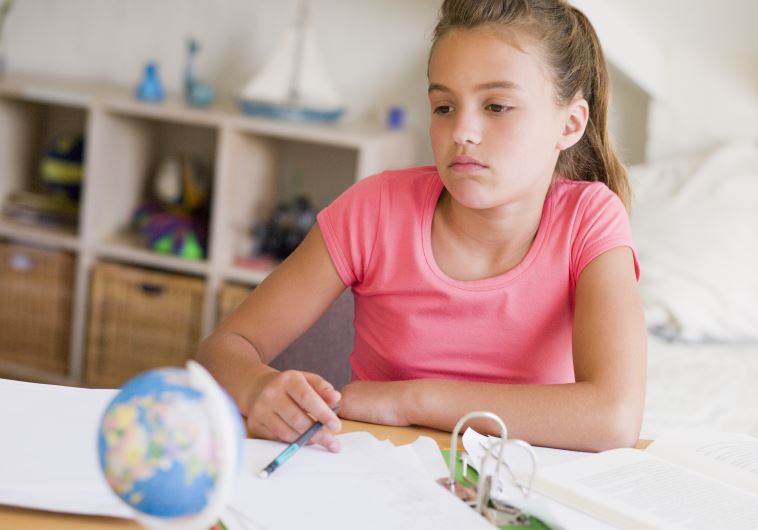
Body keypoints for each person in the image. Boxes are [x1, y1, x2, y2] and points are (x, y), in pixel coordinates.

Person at [197, 0, 646, 453]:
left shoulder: (589, 219)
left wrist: (411, 400)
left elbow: (614, 418)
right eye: (444, 107)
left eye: (496, 106)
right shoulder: (375, 209)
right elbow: (223, 347)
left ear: (569, 124)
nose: (462, 131)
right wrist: (257, 387)